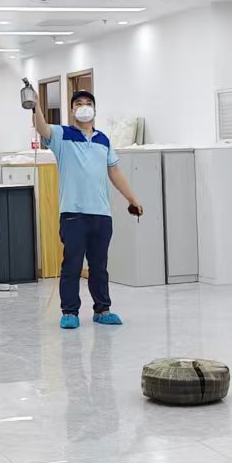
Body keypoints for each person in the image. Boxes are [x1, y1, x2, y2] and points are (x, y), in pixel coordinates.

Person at [31, 89, 143, 329]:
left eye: (88, 103)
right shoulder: (62, 135)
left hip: (101, 214)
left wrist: (132, 199)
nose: (83, 107)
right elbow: (42, 128)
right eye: (78, 103)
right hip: (73, 213)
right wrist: (36, 105)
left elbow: (114, 171)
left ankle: (102, 310)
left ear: (94, 109)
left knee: (99, 266)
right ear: (72, 110)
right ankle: (69, 312)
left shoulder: (103, 140)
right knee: (72, 264)